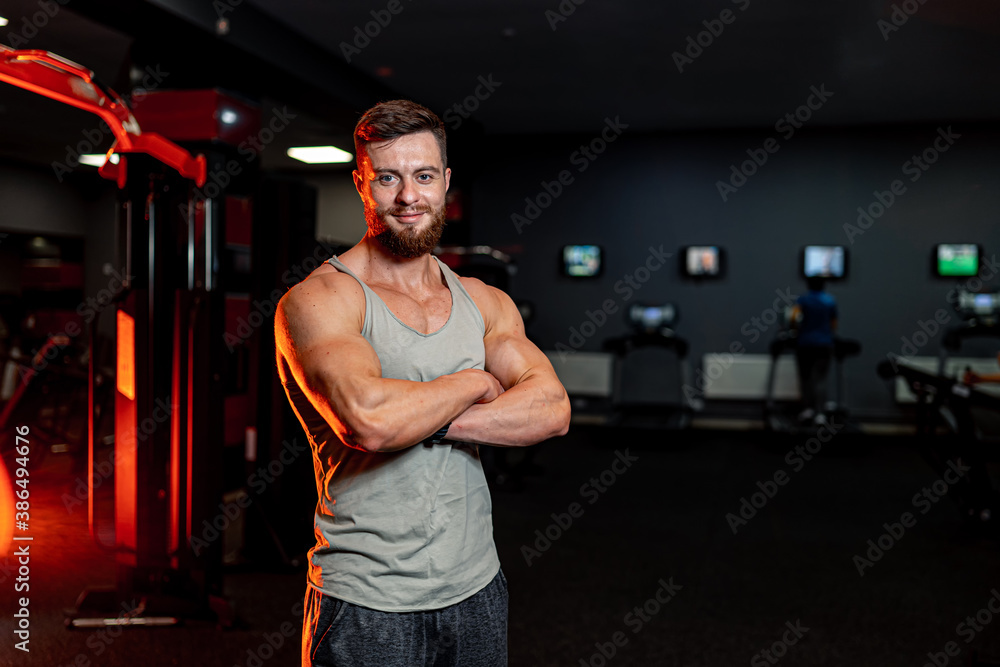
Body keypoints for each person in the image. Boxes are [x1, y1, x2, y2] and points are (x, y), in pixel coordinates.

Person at [273, 99, 571, 667]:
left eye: (424, 175)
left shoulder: (484, 301)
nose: (409, 196)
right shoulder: (321, 299)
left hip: (477, 587)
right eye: (388, 177)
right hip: (366, 601)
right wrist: (474, 380)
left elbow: (551, 409)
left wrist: (425, 420)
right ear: (362, 183)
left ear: (446, 182)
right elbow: (370, 421)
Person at [790, 275, 838, 425]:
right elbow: (834, 323)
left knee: (805, 378)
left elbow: (793, 319)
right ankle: (820, 413)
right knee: (820, 379)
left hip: (805, 343)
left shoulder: (803, 300)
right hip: (824, 344)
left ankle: (807, 409)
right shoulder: (829, 301)